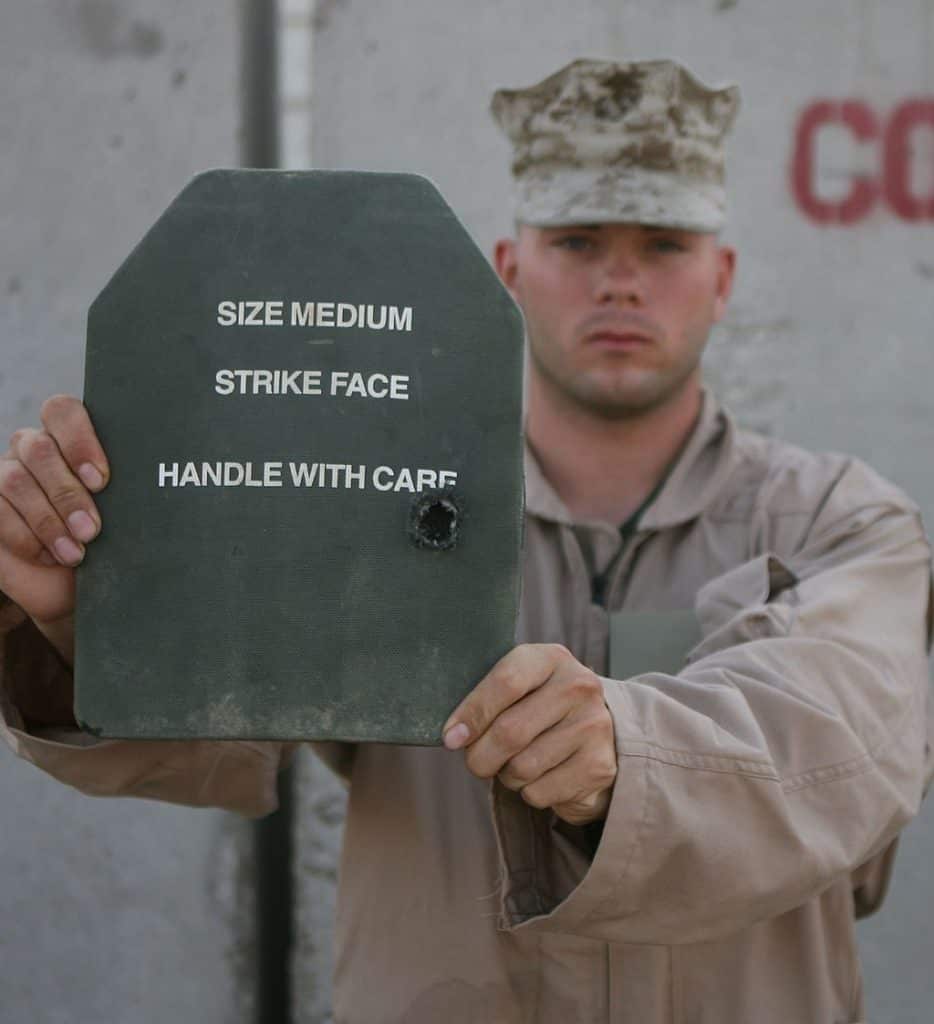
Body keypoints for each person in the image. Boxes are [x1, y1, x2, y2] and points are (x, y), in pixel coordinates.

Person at [1, 57, 931, 1023]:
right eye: (576, 240)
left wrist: (630, 752)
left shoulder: (839, 520)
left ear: (722, 276)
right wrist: (91, 616)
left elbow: (849, 739)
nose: (620, 280)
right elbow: (220, 726)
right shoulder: (364, 502)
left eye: (663, 243)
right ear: (509, 269)